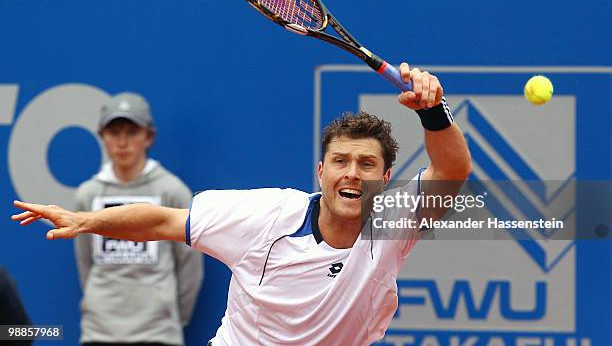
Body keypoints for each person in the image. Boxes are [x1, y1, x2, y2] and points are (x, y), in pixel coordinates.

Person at [12, 65, 471, 345]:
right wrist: (85, 219)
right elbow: (164, 220)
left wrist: (433, 111)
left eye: (366, 164)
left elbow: (451, 171)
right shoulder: (266, 217)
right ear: (321, 172)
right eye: (341, 161)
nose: (352, 172)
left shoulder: (393, 224)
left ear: (385, 179)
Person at [72, 92, 203, 345]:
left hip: (158, 334)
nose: (122, 142)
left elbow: (189, 265)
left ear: (149, 137)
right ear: (102, 137)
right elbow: (85, 261)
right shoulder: (87, 195)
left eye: (132, 132)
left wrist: (171, 315)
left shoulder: (172, 191)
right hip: (98, 333)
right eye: (114, 132)